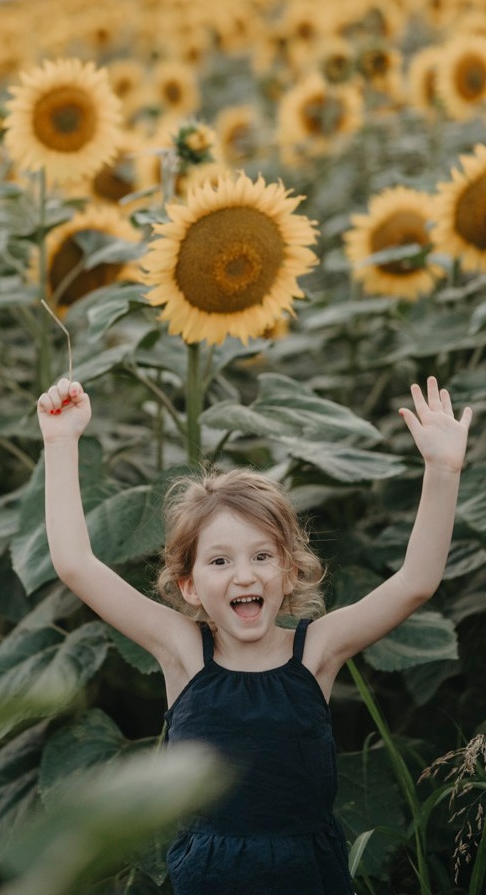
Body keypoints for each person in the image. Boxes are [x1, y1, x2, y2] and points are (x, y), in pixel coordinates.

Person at [37, 374, 472, 895]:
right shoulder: (182, 652)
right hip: (209, 879)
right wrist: (61, 444)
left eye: (262, 556)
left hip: (308, 877)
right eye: (220, 561)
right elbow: (76, 565)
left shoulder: (318, 651)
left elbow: (415, 584)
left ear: (289, 572)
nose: (245, 575)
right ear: (189, 585)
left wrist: (443, 471)